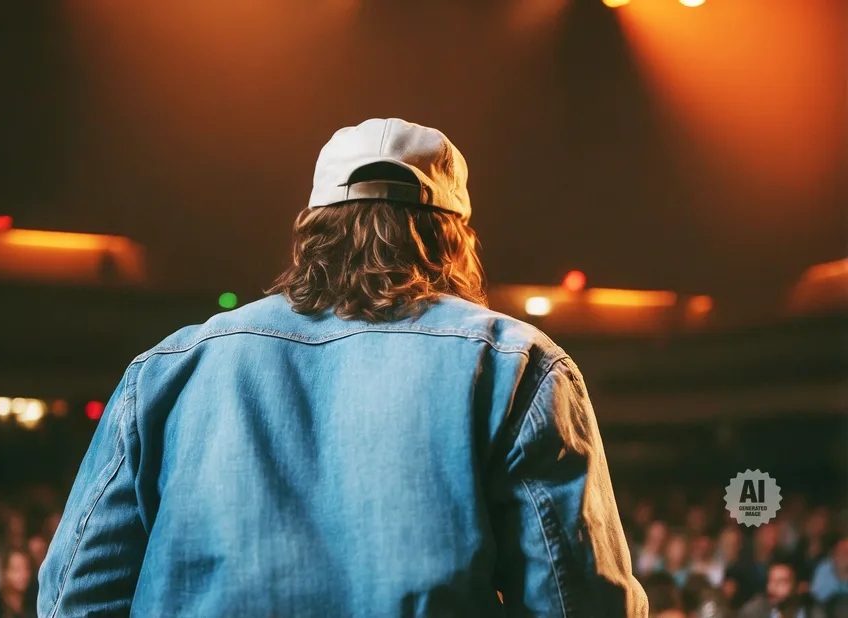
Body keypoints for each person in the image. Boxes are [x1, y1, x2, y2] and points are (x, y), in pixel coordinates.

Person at [37, 118, 648, 616]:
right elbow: (580, 603)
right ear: (454, 239)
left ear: (310, 231)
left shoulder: (174, 366)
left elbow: (73, 596)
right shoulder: (516, 366)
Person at [738, 561, 823, 618]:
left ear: (798, 588)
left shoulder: (815, 614)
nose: (773, 588)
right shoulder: (754, 613)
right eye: (771, 582)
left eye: (782, 582)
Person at [0, 552, 35, 618]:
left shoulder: (35, 599)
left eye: (27, 569)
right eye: (17, 570)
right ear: (4, 572)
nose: (24, 574)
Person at [810, 537, 848, 604]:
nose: (841, 556)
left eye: (845, 553)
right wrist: (838, 572)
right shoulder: (824, 567)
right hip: (827, 609)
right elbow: (817, 595)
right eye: (839, 551)